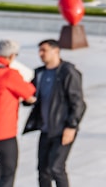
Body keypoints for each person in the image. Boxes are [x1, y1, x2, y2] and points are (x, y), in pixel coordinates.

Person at [23, 39, 86, 187]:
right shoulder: (40, 73)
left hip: (63, 129)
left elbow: (79, 103)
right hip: (45, 130)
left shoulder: (68, 71)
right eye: (39, 51)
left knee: (56, 168)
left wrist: (72, 126)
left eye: (44, 50)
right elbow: (30, 95)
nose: (41, 54)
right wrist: (27, 99)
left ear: (56, 51)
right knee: (42, 170)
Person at [0, 39, 37, 187]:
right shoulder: (9, 75)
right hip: (2, 132)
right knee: (8, 172)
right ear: (12, 56)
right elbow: (30, 93)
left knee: (2, 164)